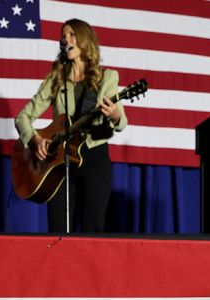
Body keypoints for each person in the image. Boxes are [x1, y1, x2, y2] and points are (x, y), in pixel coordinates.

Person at [14, 18, 127, 233]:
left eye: (72, 35)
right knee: (58, 232)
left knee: (92, 229)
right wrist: (35, 139)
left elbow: (122, 122)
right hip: (60, 164)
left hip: (94, 159)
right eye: (63, 36)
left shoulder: (107, 77)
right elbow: (22, 117)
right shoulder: (57, 78)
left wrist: (114, 115)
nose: (66, 40)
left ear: (85, 40)